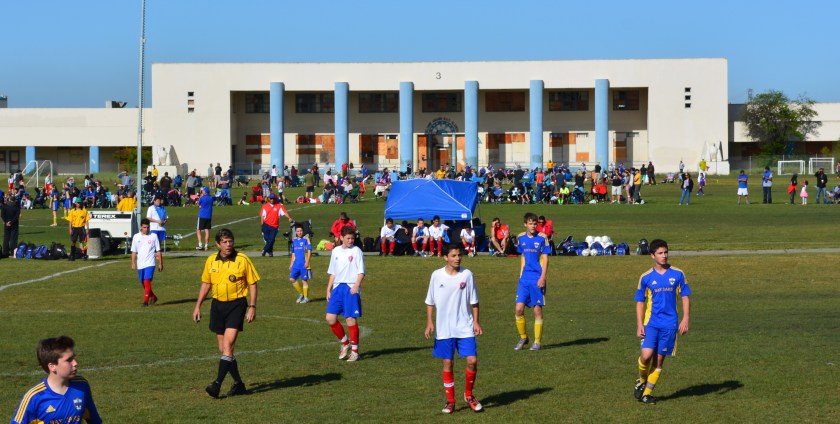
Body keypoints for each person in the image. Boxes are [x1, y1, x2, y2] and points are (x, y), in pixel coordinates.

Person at [192, 228, 259, 398]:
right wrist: (198, 305)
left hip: (237, 305)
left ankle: (217, 384)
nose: (229, 245)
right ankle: (239, 384)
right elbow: (206, 284)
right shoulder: (211, 261)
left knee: (228, 346)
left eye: (231, 241)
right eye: (225, 242)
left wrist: (252, 306)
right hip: (217, 306)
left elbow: (252, 283)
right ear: (218, 244)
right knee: (223, 349)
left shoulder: (242, 260)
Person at [424, 244, 483, 414]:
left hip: (465, 326)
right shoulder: (436, 276)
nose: (457, 258)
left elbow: (474, 301)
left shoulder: (467, 275)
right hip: (444, 328)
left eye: (459, 255)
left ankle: (469, 395)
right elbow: (430, 301)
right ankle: (450, 401)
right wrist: (429, 322)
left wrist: (476, 322)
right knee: (448, 363)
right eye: (454, 255)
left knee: (472, 360)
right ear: (445, 257)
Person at [633, 239, 691, 405]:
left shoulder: (678, 274)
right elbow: (640, 302)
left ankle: (647, 394)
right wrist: (639, 324)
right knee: (646, 356)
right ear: (652, 255)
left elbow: (686, 297)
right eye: (660, 253)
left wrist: (685, 318)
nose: (664, 256)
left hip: (670, 325)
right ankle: (641, 380)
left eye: (665, 252)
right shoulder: (645, 277)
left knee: (658, 362)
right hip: (651, 323)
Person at [10, 336, 102, 424]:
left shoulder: (81, 385)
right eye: (69, 360)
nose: (75, 363)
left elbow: (94, 420)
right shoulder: (34, 397)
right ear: (52, 366)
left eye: (73, 358)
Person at [326, 226, 366, 362]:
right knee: (330, 318)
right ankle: (345, 343)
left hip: (350, 287)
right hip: (337, 288)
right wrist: (328, 288)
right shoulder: (336, 251)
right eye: (348, 238)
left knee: (350, 319)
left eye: (352, 238)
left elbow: (361, 271)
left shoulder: (357, 251)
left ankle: (355, 352)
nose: (350, 241)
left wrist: (356, 285)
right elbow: (333, 272)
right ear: (341, 238)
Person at [513, 212, 551, 351]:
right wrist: (520, 274)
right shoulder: (520, 238)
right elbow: (522, 256)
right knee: (518, 309)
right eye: (530, 223)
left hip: (537, 279)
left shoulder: (542, 238)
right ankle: (523, 337)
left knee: (537, 311)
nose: (533, 226)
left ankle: (537, 342)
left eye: (535, 223)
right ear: (525, 224)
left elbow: (546, 259)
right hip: (524, 279)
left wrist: (542, 277)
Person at [131, 218, 163, 306]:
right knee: (143, 282)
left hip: (150, 263)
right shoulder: (136, 237)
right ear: (141, 227)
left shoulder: (154, 236)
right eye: (144, 227)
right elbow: (134, 251)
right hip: (140, 264)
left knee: (147, 281)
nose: (146, 229)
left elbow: (158, 251)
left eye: (148, 227)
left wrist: (160, 263)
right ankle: (153, 297)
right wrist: (133, 262)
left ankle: (145, 302)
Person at [260, 192, 294, 257]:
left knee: (271, 239)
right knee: (267, 239)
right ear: (269, 199)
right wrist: (262, 225)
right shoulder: (265, 206)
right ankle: (270, 252)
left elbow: (285, 213)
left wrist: (289, 218)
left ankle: (264, 250)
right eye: (271, 199)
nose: (272, 200)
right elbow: (262, 216)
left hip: (274, 226)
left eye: (273, 199)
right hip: (266, 225)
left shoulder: (279, 206)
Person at [289, 224, 313, 304]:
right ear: (295, 232)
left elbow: (309, 251)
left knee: (304, 281)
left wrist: (307, 261)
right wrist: (291, 263)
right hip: (296, 264)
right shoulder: (294, 241)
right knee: (292, 279)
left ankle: (306, 298)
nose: (299, 232)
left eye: (301, 231)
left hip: (304, 264)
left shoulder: (306, 240)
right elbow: (293, 253)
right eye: (298, 231)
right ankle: (301, 293)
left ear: (303, 231)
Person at [2, 194, 21, 258]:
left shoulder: (5, 206)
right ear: (14, 200)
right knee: (13, 238)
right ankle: (13, 252)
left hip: (6, 223)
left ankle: (5, 252)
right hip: (14, 224)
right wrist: (11, 222)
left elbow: (2, 215)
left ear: (9, 199)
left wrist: (6, 222)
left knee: (6, 238)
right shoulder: (16, 207)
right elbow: (16, 216)